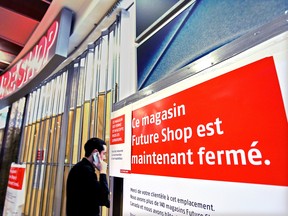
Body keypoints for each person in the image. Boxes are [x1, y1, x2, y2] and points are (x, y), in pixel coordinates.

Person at [66, 137, 110, 216]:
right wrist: (103, 171)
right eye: (104, 154)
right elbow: (103, 198)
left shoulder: (79, 168)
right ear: (95, 153)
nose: (104, 158)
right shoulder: (85, 171)